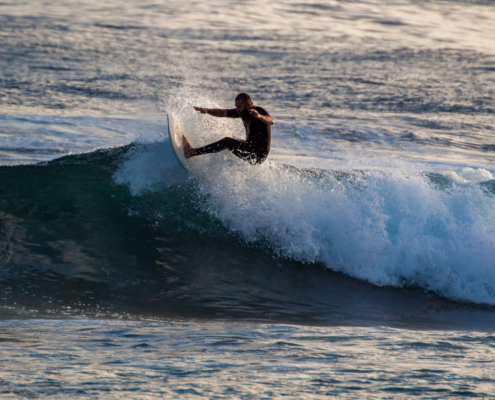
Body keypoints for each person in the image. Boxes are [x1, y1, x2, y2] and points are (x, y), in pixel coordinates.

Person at [184, 93, 274, 165]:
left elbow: (271, 121)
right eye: (236, 106)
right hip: (249, 148)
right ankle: (211, 166)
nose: (237, 109)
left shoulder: (258, 111)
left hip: (258, 154)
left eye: (239, 107)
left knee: (227, 141)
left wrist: (259, 116)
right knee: (229, 141)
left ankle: (192, 152)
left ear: (248, 105)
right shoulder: (241, 112)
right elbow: (224, 113)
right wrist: (207, 111)